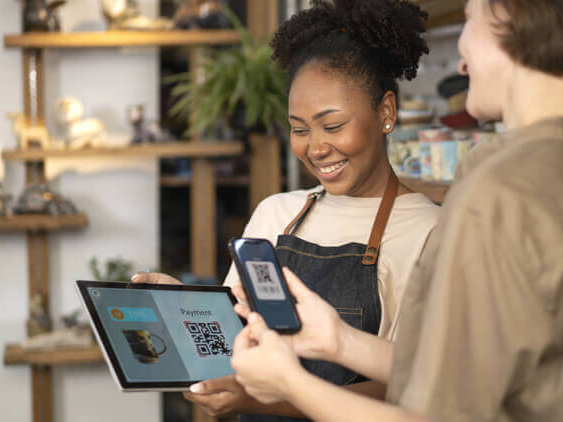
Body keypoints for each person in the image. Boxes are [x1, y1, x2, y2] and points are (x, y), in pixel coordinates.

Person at [228, 0, 563, 420]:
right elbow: (484, 372)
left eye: (470, 19)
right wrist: (338, 340)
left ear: (513, 16)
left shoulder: (503, 188)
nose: (462, 59)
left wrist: (289, 384)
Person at [132, 0, 437, 419]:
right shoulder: (276, 213)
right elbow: (236, 344)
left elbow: (413, 391)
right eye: (299, 129)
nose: (315, 148)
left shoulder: (428, 231)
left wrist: (259, 397)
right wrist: (186, 312)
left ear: (385, 112)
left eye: (333, 126)